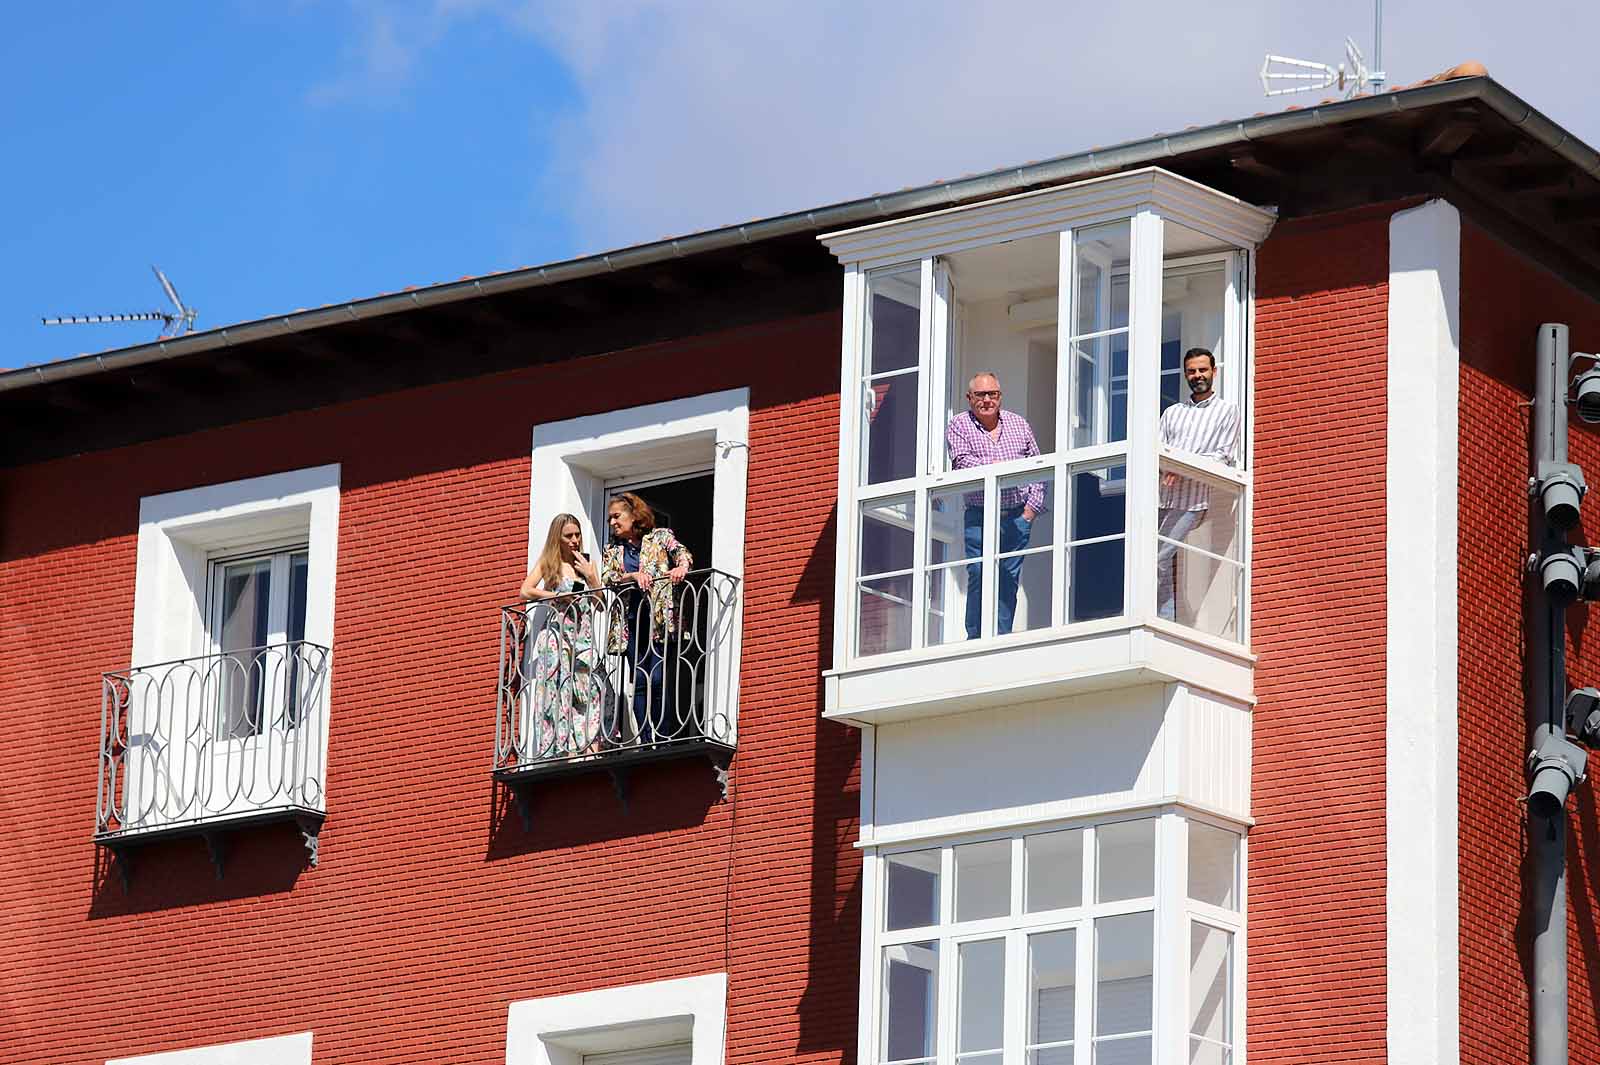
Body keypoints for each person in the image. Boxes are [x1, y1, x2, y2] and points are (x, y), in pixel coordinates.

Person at [945, 371, 1046, 639]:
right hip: (980, 515)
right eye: (981, 395)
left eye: (993, 394)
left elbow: (1038, 466)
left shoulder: (1018, 424)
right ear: (969, 398)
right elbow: (962, 463)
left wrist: (1030, 511)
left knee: (1008, 577)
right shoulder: (958, 425)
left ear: (1000, 397)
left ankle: (1001, 634)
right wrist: (999, 468)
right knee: (979, 571)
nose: (987, 400)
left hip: (1016, 516)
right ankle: (976, 636)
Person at [600, 493, 693, 744]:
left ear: (634, 515)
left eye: (617, 516)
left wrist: (682, 567)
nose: (612, 523)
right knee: (639, 681)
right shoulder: (613, 550)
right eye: (609, 519)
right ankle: (646, 737)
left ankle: (662, 734)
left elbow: (681, 553)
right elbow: (608, 578)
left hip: (660, 621)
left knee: (658, 678)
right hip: (631, 623)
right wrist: (632, 577)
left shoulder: (660, 537)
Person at [1157, 348, 1241, 622]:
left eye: (1202, 370)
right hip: (1161, 498)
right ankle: (1165, 620)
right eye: (1191, 371)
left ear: (1214, 372)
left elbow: (1223, 456)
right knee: (1163, 565)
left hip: (1192, 502)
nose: (1197, 376)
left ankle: (1159, 618)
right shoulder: (1172, 413)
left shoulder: (1226, 411)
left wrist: (1181, 467)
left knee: (1157, 558)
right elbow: (1157, 451)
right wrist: (1168, 467)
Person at [519, 514, 606, 758]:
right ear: (558, 538)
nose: (575, 540)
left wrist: (591, 578)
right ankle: (565, 751)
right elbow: (525, 590)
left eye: (577, 535)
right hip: (557, 636)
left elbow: (600, 605)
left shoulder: (587, 565)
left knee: (590, 691)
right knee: (560, 689)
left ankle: (589, 748)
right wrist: (555, 597)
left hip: (583, 636)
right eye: (569, 536)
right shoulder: (550, 563)